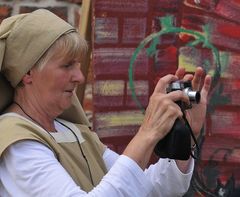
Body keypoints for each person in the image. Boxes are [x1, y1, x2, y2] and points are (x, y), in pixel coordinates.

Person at [0, 9, 211, 197]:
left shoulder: (72, 131)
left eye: (78, 65)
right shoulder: (17, 142)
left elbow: (149, 189)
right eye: (66, 66)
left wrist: (186, 135)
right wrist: (147, 133)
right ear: (28, 72)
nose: (79, 77)